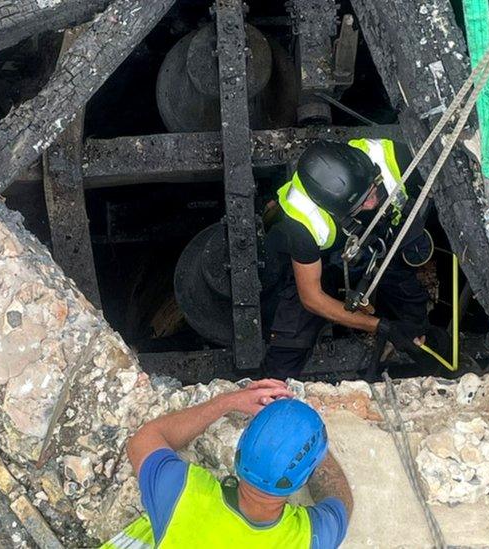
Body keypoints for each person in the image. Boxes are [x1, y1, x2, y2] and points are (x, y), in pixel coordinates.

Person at [102, 379, 353, 548]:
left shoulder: (184, 494)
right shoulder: (308, 537)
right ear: (304, 478)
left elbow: (144, 440)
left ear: (238, 452)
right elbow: (341, 500)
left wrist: (227, 402)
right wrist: (308, 442)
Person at [260, 138, 434, 379]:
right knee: (291, 336)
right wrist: (379, 326)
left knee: (409, 304)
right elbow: (312, 297)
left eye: (373, 190)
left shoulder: (388, 155)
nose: (373, 203)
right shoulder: (303, 223)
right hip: (319, 260)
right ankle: (271, 390)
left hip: (375, 244)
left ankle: (426, 350)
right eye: (363, 203)